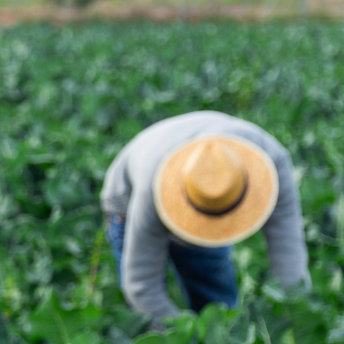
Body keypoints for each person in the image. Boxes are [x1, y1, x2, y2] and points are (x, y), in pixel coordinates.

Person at [102, 110, 309, 325]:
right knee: (141, 320)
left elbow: (289, 256)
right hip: (127, 195)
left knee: (218, 302)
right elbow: (140, 286)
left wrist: (292, 319)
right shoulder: (150, 190)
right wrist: (184, 339)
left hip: (180, 167)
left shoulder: (272, 162)